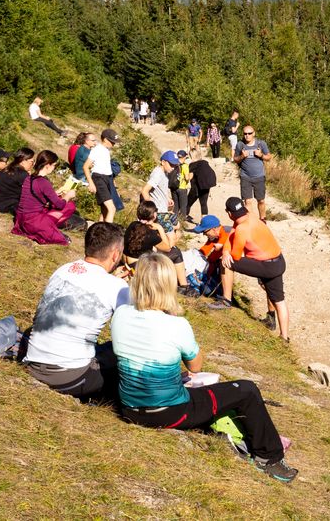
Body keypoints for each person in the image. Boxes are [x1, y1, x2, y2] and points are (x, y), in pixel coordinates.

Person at [111, 253, 298, 483]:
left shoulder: (120, 314)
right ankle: (269, 458)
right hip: (170, 412)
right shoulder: (176, 325)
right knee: (246, 390)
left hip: (129, 409)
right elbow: (196, 366)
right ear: (168, 284)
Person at [22, 222, 128, 400]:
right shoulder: (116, 286)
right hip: (71, 378)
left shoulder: (63, 270)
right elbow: (134, 332)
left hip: (33, 365)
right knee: (122, 353)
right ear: (116, 254)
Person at [213, 197, 289, 340]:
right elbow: (230, 237)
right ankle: (284, 337)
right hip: (278, 262)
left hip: (265, 265)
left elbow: (235, 256)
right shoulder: (250, 216)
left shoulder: (242, 228)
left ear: (229, 213)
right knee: (279, 300)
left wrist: (225, 253)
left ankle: (226, 300)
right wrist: (225, 250)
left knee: (226, 262)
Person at [124, 200, 194, 295]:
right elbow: (168, 248)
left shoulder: (133, 224)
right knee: (176, 253)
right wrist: (160, 228)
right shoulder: (151, 233)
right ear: (154, 215)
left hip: (128, 262)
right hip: (140, 266)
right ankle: (184, 286)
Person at [12, 150, 78, 245]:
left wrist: (55, 193)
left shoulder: (29, 178)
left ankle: (49, 226)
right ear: (47, 165)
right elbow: (60, 205)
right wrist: (68, 196)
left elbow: (35, 196)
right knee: (70, 205)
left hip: (21, 219)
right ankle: (50, 227)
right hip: (33, 222)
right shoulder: (44, 182)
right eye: (54, 165)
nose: (54, 168)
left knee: (59, 203)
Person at [234, 125, 273, 222]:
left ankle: (263, 220)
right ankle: (250, 222)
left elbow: (269, 157)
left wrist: (261, 155)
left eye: (249, 133)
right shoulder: (240, 145)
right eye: (245, 133)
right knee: (247, 201)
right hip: (245, 177)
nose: (247, 135)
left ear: (254, 133)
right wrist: (242, 156)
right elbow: (235, 159)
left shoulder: (261, 144)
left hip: (259, 176)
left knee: (261, 200)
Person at [0, 147, 35, 214]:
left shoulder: (8, 168)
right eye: (32, 162)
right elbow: (30, 193)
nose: (33, 164)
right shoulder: (22, 174)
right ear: (23, 161)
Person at [84, 129, 120, 223]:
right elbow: (86, 166)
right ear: (105, 139)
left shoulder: (106, 150)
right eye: (112, 142)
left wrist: (113, 184)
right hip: (99, 178)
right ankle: (108, 230)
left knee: (105, 209)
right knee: (112, 208)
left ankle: (100, 229)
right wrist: (91, 183)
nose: (114, 144)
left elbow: (107, 169)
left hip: (107, 178)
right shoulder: (97, 149)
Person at [141, 150, 179, 216]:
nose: (173, 168)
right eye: (171, 165)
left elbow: (161, 188)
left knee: (174, 221)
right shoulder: (158, 173)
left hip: (162, 210)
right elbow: (145, 191)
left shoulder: (165, 172)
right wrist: (152, 210)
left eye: (175, 166)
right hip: (157, 212)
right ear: (163, 162)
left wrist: (167, 198)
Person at [187, 152, 217, 219]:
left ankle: (184, 216)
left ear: (192, 157)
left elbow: (190, 177)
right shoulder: (204, 163)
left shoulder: (193, 164)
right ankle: (204, 221)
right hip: (206, 185)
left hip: (197, 187)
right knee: (203, 203)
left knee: (188, 202)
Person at [171, 150, 191, 223]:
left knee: (175, 206)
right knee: (183, 206)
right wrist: (190, 176)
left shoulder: (174, 164)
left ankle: (174, 221)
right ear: (185, 157)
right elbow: (187, 178)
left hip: (173, 187)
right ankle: (182, 222)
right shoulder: (185, 166)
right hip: (182, 188)